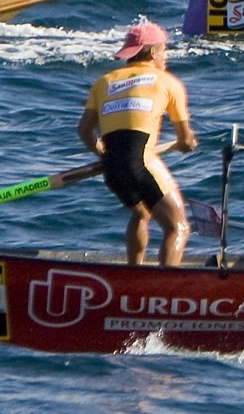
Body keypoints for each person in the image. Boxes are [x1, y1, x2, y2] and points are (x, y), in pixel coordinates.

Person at [78, 22, 197, 267]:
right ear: (153, 52)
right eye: (164, 50)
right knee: (178, 226)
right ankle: (166, 287)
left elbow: (84, 131)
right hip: (142, 163)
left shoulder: (104, 82)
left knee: (141, 213)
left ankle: (134, 272)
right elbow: (185, 140)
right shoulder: (167, 82)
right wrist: (187, 144)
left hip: (112, 167)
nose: (166, 56)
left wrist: (103, 153)